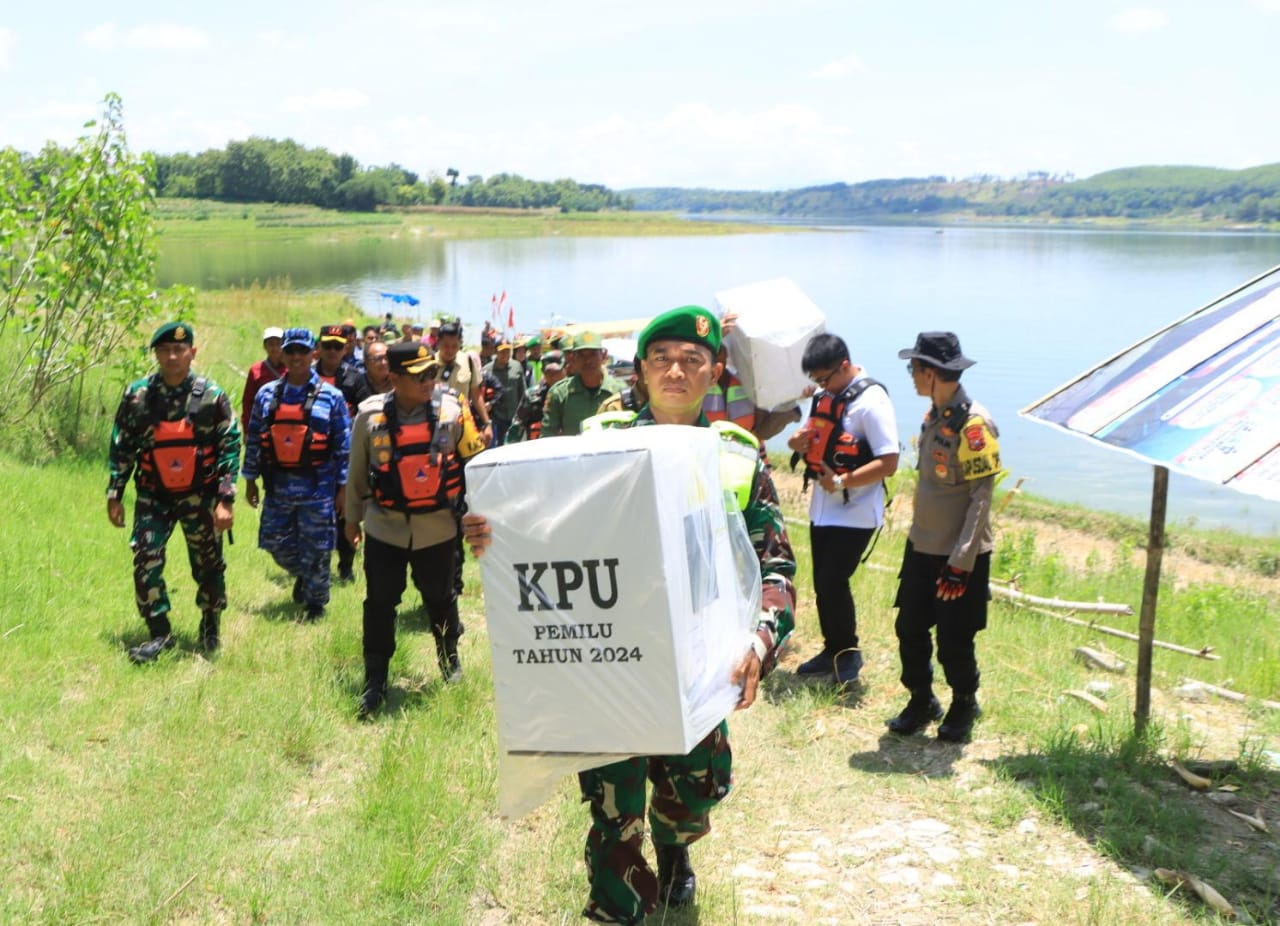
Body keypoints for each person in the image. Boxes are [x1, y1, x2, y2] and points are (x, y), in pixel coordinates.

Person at [462, 305, 796, 925]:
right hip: (612, 652)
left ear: (715, 371)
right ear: (639, 371)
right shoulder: (600, 443)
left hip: (700, 662)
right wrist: (492, 532)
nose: (676, 371)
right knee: (614, 805)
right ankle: (617, 906)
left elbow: (776, 570)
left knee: (692, 790)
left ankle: (674, 855)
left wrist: (761, 640)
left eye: (692, 360)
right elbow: (542, 525)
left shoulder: (737, 459)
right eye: (661, 359)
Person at [888, 331, 1002, 743]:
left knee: (955, 637)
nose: (911, 377)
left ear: (931, 372)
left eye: (913, 369)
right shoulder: (934, 416)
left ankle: (963, 704)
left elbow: (981, 498)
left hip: (958, 555)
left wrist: (961, 562)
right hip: (922, 546)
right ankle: (922, 700)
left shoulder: (974, 425)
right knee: (910, 628)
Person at [346, 342, 468, 718]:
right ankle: (375, 680)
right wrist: (352, 521)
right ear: (394, 378)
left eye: (432, 373)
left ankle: (450, 663)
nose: (430, 380)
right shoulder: (369, 416)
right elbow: (356, 474)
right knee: (380, 604)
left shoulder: (453, 411)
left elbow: (473, 465)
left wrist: (476, 517)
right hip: (386, 527)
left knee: (441, 598)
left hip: (439, 528)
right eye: (420, 376)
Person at [106, 321, 240, 661]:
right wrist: (115, 492)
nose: (171, 356)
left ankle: (210, 621)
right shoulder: (137, 396)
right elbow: (122, 445)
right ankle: (159, 632)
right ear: (156, 354)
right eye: (164, 350)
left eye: (179, 350)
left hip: (201, 496)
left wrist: (225, 499)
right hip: (154, 497)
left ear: (192, 353)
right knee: (146, 561)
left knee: (208, 564)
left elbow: (230, 445)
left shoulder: (212, 396)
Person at [787, 333, 899, 685]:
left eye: (825, 378)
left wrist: (842, 482)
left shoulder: (872, 401)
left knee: (834, 580)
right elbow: (811, 437)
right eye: (816, 380)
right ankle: (831, 649)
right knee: (823, 583)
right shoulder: (825, 395)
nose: (820, 387)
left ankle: (848, 655)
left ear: (845, 366)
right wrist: (796, 443)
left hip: (856, 513)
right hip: (822, 509)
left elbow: (890, 461)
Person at [241, 328, 351, 620]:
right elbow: (254, 438)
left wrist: (343, 489)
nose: (296, 357)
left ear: (313, 354)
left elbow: (343, 447)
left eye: (303, 351)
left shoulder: (332, 397)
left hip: (319, 487)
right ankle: (306, 573)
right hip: (278, 485)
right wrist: (250, 480)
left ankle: (316, 603)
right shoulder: (267, 394)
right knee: (273, 541)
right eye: (291, 351)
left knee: (318, 546)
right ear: (283, 354)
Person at [316, 324, 364, 582]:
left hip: (347, 459)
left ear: (345, 348)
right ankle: (314, 568)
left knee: (347, 513)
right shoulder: (307, 377)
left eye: (338, 346)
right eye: (328, 346)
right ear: (319, 348)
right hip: (314, 461)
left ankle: (346, 565)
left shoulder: (355, 378)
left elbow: (368, 415)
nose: (333, 351)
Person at [541, 331, 621, 437]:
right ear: (573, 358)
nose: (588, 360)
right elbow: (548, 435)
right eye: (581, 355)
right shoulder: (560, 394)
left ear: (603, 356)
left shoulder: (619, 391)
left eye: (593, 354)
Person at [435, 319, 493, 445]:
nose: (450, 350)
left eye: (454, 346)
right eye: (446, 346)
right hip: (437, 425)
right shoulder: (430, 364)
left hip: (464, 423)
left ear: (460, 344)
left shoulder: (467, 361)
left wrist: (487, 423)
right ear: (438, 343)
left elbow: (476, 395)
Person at [505, 350, 565, 443]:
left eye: (556, 372)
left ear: (565, 370)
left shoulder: (573, 394)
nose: (553, 377)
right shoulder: (532, 396)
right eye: (549, 373)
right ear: (543, 373)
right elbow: (517, 426)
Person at [241, 326, 285, 431]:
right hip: (262, 423)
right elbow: (248, 402)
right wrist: (247, 429)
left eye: (278, 343)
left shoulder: (292, 368)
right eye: (271, 344)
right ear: (265, 346)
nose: (274, 348)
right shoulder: (255, 370)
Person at [483, 338, 525, 446]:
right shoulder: (486, 370)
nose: (505, 354)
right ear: (495, 352)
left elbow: (523, 391)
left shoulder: (517, 366)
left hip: (513, 416)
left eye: (508, 351)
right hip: (495, 417)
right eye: (502, 351)